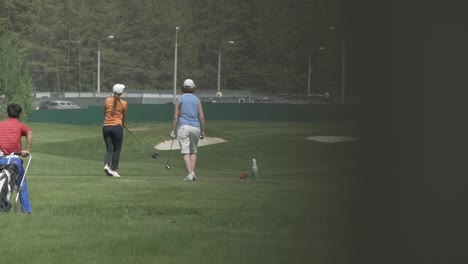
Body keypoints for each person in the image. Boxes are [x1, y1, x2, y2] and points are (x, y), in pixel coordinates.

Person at [0, 103, 33, 213]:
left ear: (7, 113)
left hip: (1, 160)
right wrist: (27, 149)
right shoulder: (20, 126)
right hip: (14, 160)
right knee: (21, 184)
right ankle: (26, 211)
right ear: (19, 114)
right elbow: (29, 132)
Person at [171, 79, 206, 181]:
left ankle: (190, 174)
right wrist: (203, 131)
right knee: (193, 151)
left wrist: (173, 130)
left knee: (185, 152)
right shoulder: (197, 99)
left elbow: (175, 116)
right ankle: (192, 172)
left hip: (183, 127)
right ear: (193, 88)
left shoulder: (180, 98)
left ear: (183, 88)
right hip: (196, 127)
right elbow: (202, 117)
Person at [103, 83, 128, 177]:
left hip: (106, 127)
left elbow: (104, 113)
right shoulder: (124, 103)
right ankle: (114, 169)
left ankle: (106, 164)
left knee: (109, 148)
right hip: (117, 127)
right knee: (117, 149)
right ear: (121, 93)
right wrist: (122, 125)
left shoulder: (107, 100)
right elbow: (123, 117)